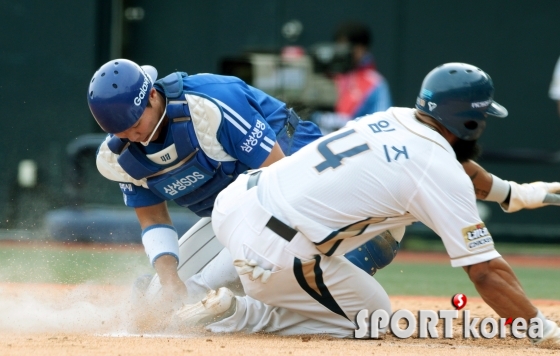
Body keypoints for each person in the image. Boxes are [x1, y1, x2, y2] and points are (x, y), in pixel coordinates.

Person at [175, 63, 560, 344]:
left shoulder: (397, 118)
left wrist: (513, 193)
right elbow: (486, 273)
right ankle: (237, 313)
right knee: (374, 319)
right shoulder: (438, 170)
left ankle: (225, 293)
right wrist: (542, 330)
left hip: (236, 205)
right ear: (469, 122)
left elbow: (453, 164)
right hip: (276, 250)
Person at [312, 21, 392, 134]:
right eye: (339, 46)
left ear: (363, 48)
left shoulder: (376, 84)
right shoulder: (323, 76)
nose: (343, 52)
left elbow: (381, 125)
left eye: (349, 47)